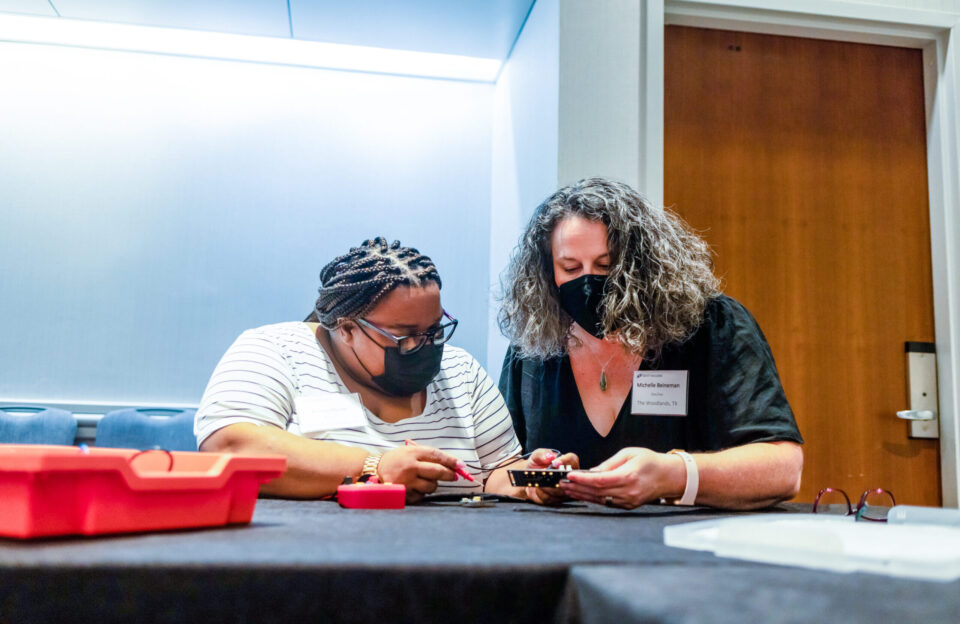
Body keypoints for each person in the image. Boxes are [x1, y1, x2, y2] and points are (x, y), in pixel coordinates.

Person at [498, 178, 804, 510]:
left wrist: (673, 474)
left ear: (641, 265)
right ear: (547, 272)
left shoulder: (711, 326)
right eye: (570, 268)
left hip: (684, 549)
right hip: (560, 551)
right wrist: (534, 482)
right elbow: (498, 471)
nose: (587, 282)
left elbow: (784, 470)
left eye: (606, 265)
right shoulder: (534, 346)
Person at [196, 237, 523, 502]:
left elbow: (497, 471)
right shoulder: (275, 351)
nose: (426, 346)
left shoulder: (461, 371)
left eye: (436, 330)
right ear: (347, 329)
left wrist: (529, 480)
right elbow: (230, 448)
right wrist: (374, 467)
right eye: (406, 337)